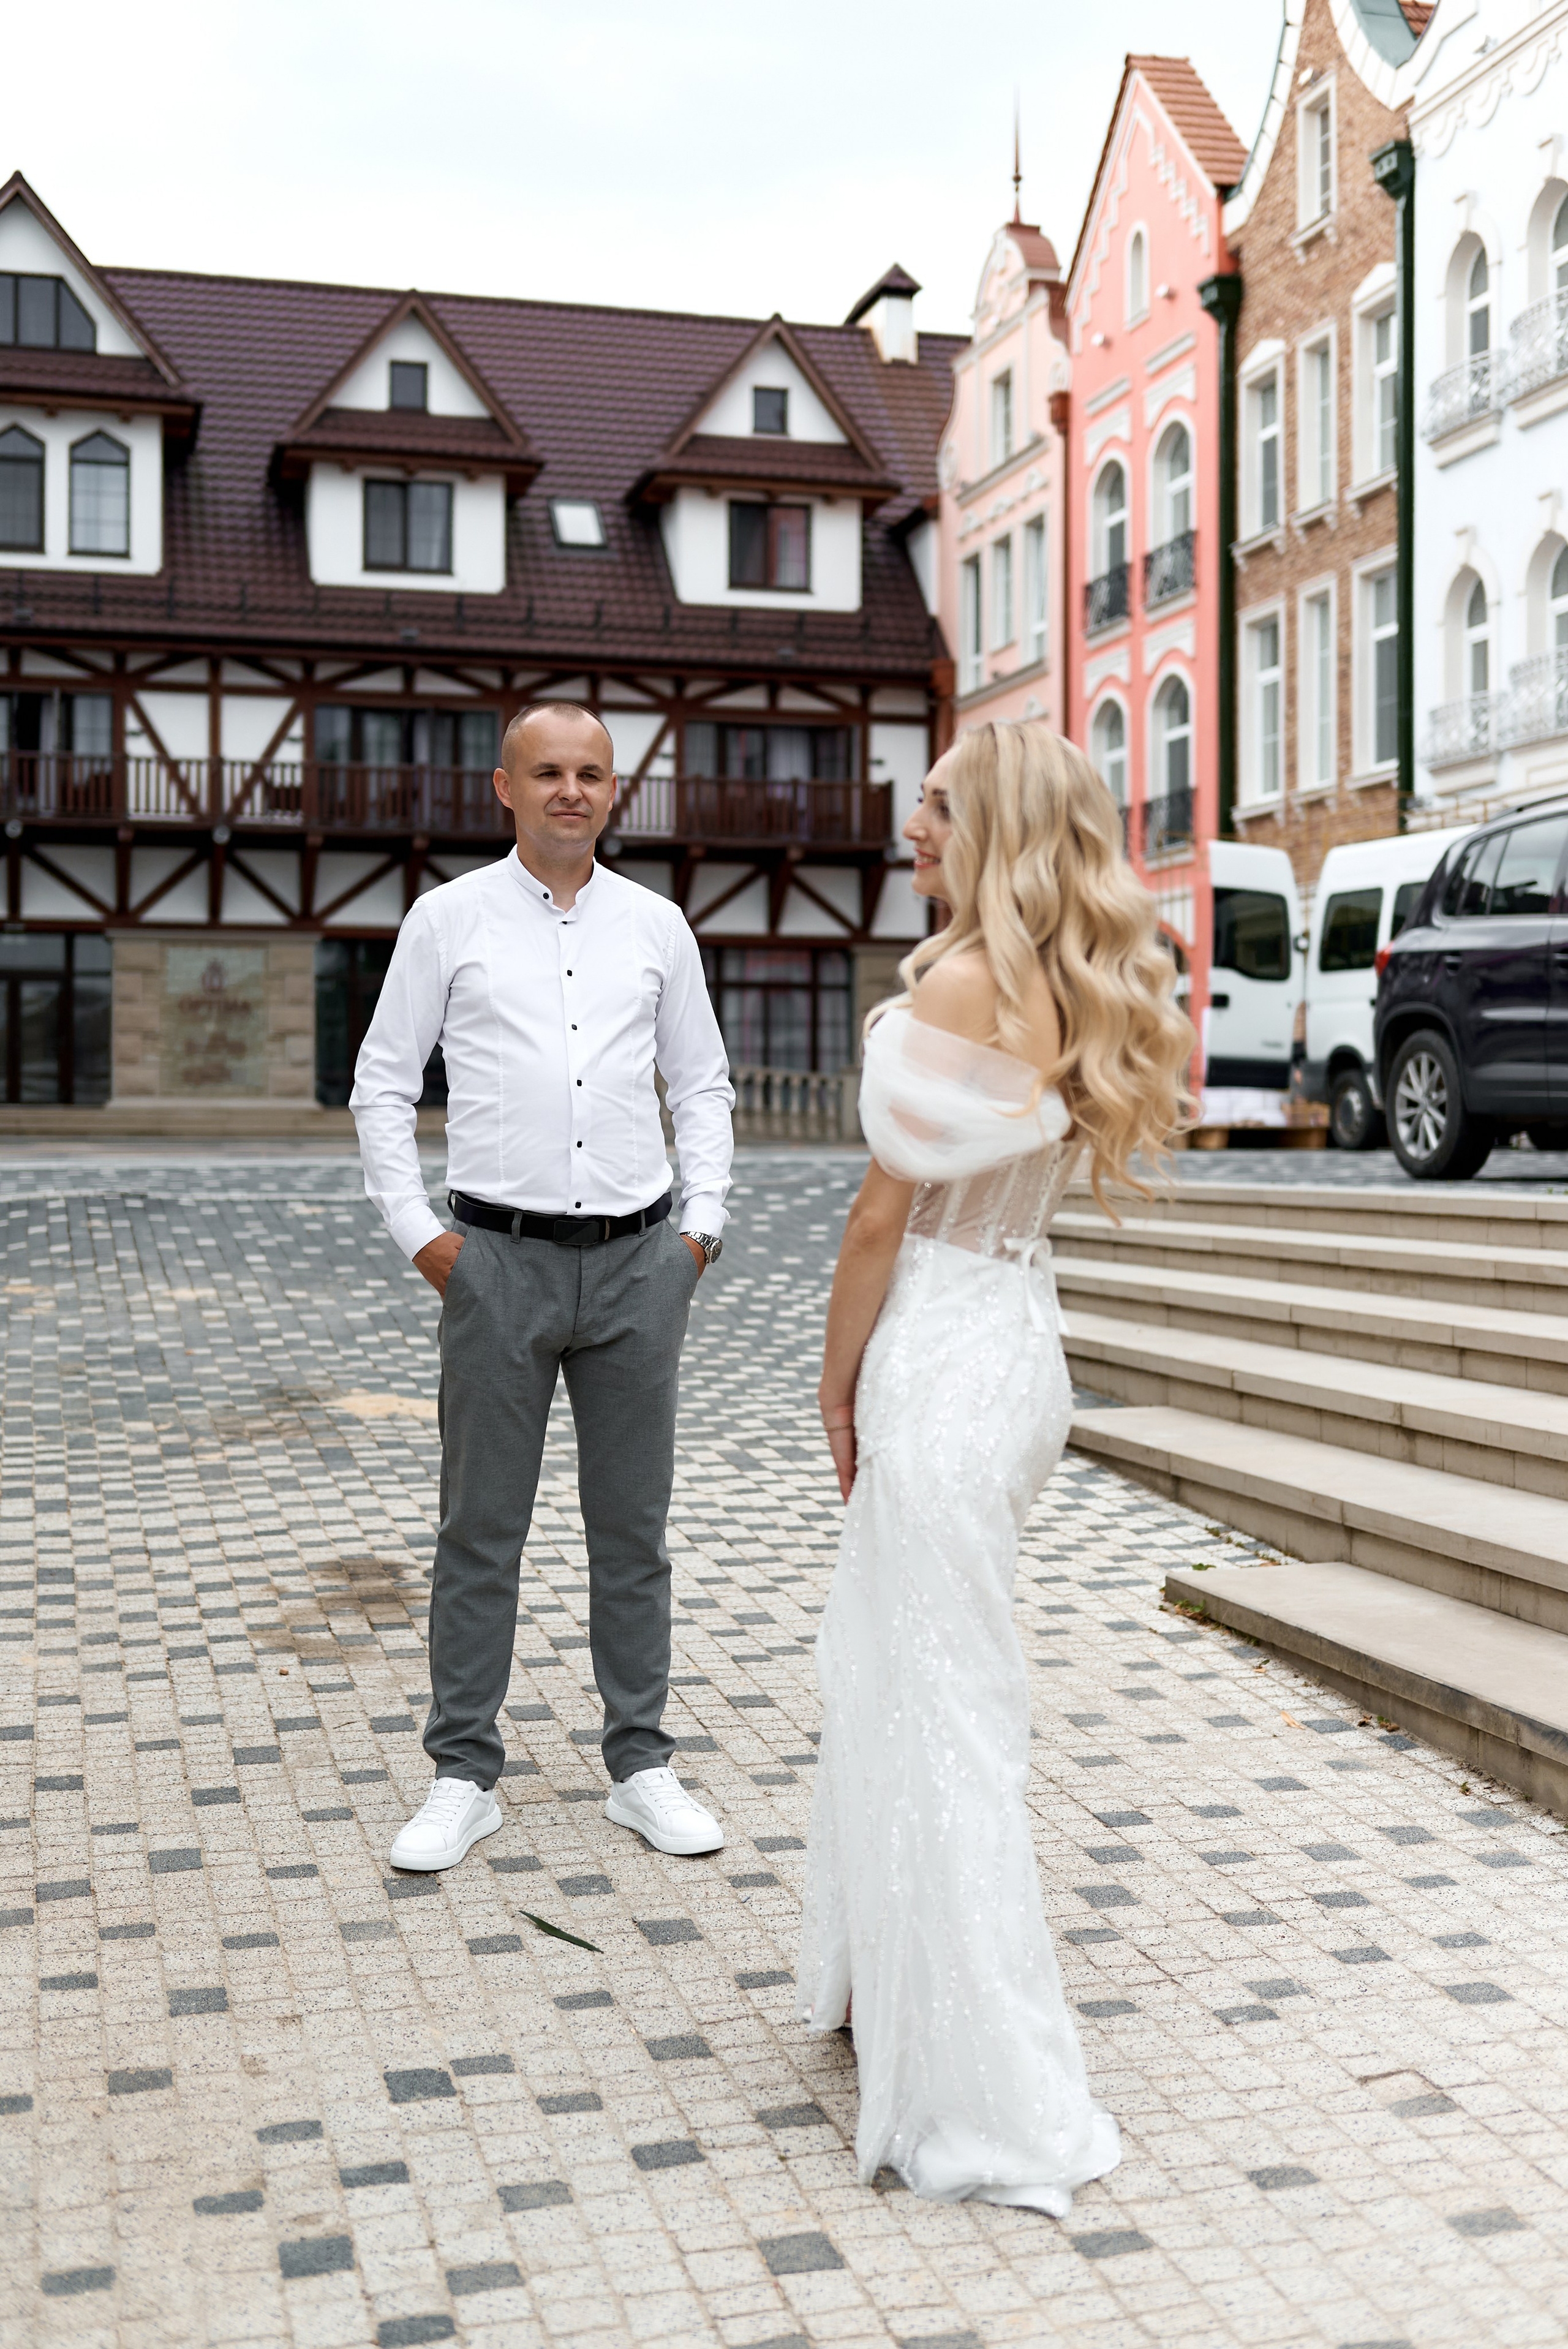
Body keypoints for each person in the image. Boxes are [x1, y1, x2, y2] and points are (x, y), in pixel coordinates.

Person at [798, 719, 1193, 2212]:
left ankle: (990, 2093)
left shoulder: (961, 979)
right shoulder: (1061, 983)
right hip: (1019, 1343)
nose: (913, 822)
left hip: (942, 1359)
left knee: (939, 1709)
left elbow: (871, 1225)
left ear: (997, 825)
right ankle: (876, 1988)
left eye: (939, 807)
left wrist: (832, 1389)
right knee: (907, 1679)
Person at [352, 701, 735, 1872]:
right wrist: (423, 1236)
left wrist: (698, 1235)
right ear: (505, 789)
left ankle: (641, 1764)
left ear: (613, 791)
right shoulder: (446, 919)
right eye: (549, 773)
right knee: (480, 1531)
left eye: (593, 774)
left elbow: (703, 1086)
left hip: (638, 1264)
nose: (573, 790)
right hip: (495, 1266)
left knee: (635, 1532)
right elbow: (380, 1082)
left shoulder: (659, 926)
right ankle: (463, 1773)